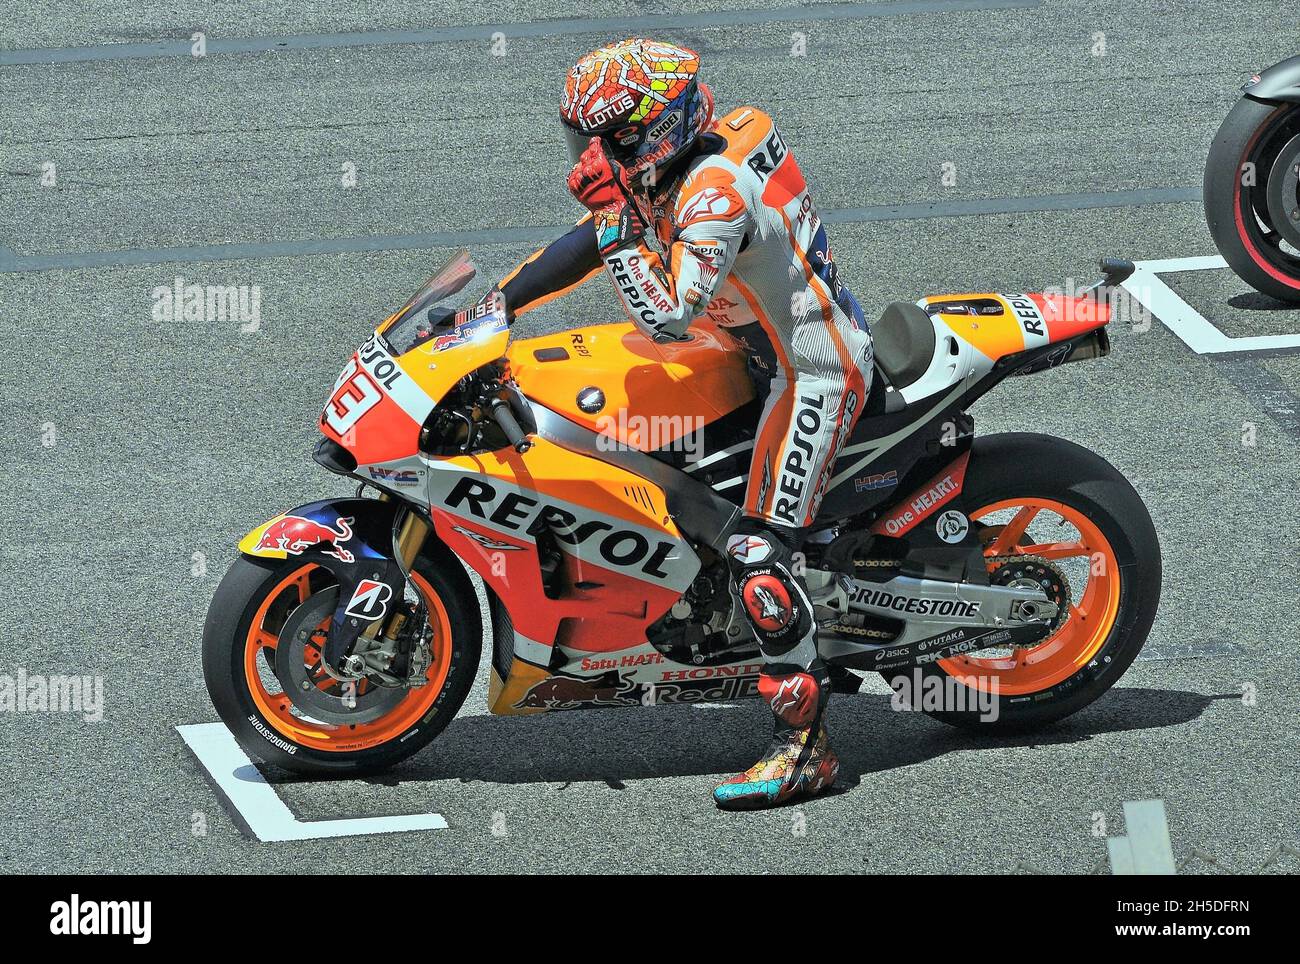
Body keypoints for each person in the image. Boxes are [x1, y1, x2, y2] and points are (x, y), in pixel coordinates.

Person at [496, 38, 874, 810]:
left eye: (607, 141)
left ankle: (806, 748)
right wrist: (496, 306)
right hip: (744, 343)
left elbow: (668, 314)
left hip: (812, 370)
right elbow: (590, 247)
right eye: (583, 140)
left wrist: (611, 222)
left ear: (653, 130)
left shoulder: (714, 194)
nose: (589, 158)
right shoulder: (681, 158)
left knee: (756, 547)